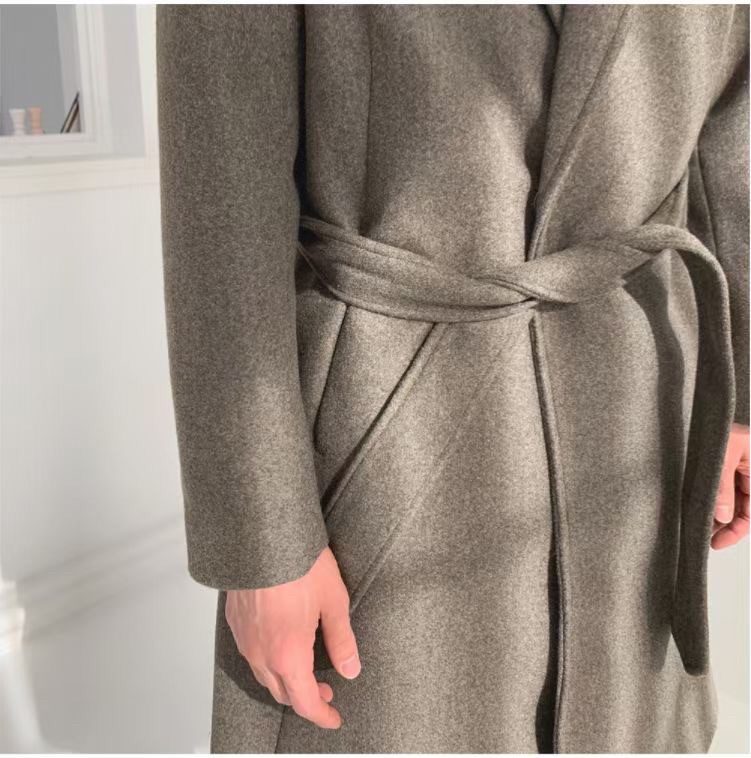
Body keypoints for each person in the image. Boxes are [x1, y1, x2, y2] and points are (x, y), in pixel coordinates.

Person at [155, 5, 749, 753]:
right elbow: (221, 184)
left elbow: (734, 127)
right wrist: (261, 543)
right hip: (383, 431)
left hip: (637, 410)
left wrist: (742, 398)